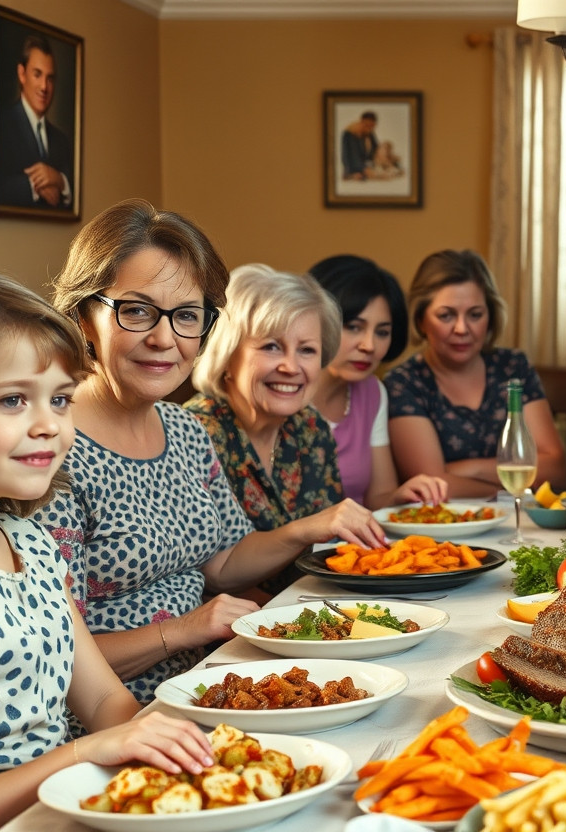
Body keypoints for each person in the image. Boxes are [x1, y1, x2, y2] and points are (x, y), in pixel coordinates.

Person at [33, 199, 386, 702]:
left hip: (219, 679)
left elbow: (223, 560)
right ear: (84, 316)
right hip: (128, 710)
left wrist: (310, 526)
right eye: (136, 310)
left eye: (186, 316)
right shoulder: (48, 450)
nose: (164, 338)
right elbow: (51, 651)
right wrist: (184, 629)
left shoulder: (184, 430)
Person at [0, 270, 214, 832]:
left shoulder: (29, 543)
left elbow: (104, 698)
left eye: (60, 399)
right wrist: (87, 753)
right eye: (12, 400)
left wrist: (157, 743)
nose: (49, 426)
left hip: (70, 806)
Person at [184, 265, 424, 597]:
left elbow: (324, 558)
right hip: (232, 631)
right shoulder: (191, 433)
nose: (291, 367)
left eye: (307, 350)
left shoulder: (309, 427)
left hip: (311, 605)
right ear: (228, 354)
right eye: (271, 347)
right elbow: (208, 575)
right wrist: (308, 531)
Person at [385, 250, 564, 498]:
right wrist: (511, 487)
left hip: (519, 527)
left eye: (475, 315)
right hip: (443, 529)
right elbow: (433, 485)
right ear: (420, 319)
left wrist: (465, 470)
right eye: (446, 315)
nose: (462, 328)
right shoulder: (403, 383)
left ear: (490, 318)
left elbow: (554, 469)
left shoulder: (513, 368)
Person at [307, 255, 448, 509]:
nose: (369, 346)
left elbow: (379, 499)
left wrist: (403, 494)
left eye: (382, 332)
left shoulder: (372, 392)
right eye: (353, 327)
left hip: (355, 546)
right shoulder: (283, 390)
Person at [0, 34, 73, 210]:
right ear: (22, 74)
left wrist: (59, 180)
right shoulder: (0, 126)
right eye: (37, 74)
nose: (44, 86)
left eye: (50, 78)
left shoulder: (61, 140)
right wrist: (35, 185)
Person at [341, 111, 378, 180]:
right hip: (353, 170)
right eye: (367, 125)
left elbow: (376, 150)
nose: (369, 128)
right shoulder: (350, 133)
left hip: (367, 168)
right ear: (362, 122)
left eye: (372, 126)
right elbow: (351, 156)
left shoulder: (369, 133)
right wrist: (363, 169)